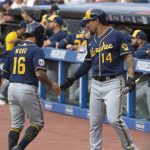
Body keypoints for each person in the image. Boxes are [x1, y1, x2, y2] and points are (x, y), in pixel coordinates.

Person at [60, 9, 138, 150]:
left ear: (96, 21)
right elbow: (87, 62)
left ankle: (131, 147)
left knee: (115, 120)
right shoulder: (92, 40)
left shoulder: (117, 35)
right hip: (96, 84)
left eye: (88, 22)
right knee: (94, 123)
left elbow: (128, 56)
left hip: (113, 82)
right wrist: (72, 78)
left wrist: (131, 77)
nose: (86, 25)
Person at [1, 22, 61, 150]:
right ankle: (19, 148)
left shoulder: (15, 49)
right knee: (37, 123)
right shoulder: (36, 49)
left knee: (16, 125)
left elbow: (5, 73)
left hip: (12, 88)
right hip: (27, 88)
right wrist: (52, 84)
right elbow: (39, 74)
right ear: (38, 35)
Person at [0, 21, 26, 105]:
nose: (25, 30)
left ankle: (8, 95)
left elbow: (27, 44)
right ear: (22, 29)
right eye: (24, 29)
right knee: (9, 76)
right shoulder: (11, 35)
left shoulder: (21, 37)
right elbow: (9, 52)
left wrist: (18, 40)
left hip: (14, 61)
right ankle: (1, 95)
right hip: (5, 60)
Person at [131, 29, 150, 120]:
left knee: (139, 95)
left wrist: (146, 52)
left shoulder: (148, 46)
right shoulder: (134, 48)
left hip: (146, 79)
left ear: (140, 40)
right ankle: (147, 117)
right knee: (138, 96)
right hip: (141, 79)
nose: (132, 40)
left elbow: (139, 53)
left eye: (134, 38)